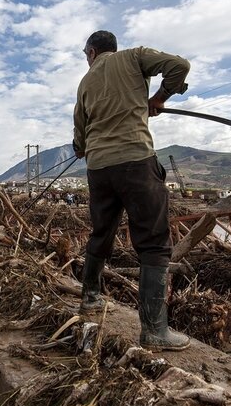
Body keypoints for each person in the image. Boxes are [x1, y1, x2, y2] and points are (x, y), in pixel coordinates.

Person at [73, 30, 191, 352]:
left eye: (86, 54)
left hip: (99, 169)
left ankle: (90, 299)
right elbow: (179, 66)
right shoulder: (135, 57)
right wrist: (159, 99)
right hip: (135, 161)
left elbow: (80, 135)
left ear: (93, 51)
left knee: (101, 232)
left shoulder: (85, 84)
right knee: (153, 242)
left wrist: (81, 146)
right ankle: (154, 330)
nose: (87, 59)